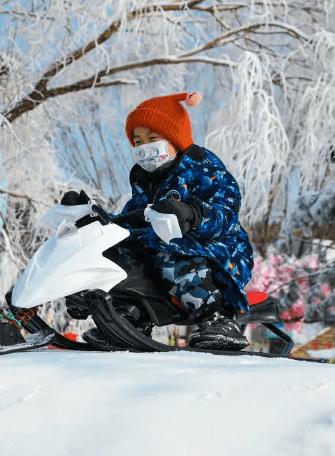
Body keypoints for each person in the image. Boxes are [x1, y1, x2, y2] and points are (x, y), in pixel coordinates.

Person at [64, 91, 253, 350]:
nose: (144, 148)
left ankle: (216, 318)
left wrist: (192, 213)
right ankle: (129, 317)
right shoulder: (145, 181)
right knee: (119, 253)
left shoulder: (204, 170)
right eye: (138, 141)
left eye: (153, 139)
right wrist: (93, 227)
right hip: (167, 245)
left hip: (221, 251)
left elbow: (226, 213)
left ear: (175, 138)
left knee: (171, 255)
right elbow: (128, 224)